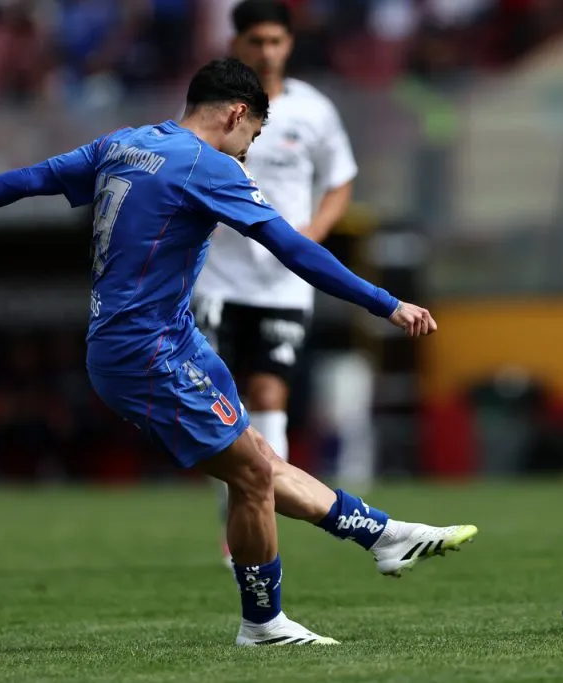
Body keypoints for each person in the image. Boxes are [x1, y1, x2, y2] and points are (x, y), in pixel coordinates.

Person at [0, 58, 477, 647]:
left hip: (159, 338)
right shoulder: (207, 166)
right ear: (238, 113)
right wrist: (384, 303)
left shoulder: (123, 144)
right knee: (251, 477)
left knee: (259, 458)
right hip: (147, 352)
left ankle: (381, 536)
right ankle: (264, 624)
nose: (247, 151)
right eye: (253, 136)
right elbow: (292, 249)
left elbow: (29, 179)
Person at [192, 1, 360, 564]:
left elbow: (340, 181)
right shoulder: (213, 105)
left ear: (289, 44)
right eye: (256, 42)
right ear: (237, 43)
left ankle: (258, 507)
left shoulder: (314, 110)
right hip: (217, 277)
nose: (266, 52)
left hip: (283, 281)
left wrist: (312, 233)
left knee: (268, 394)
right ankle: (235, 512)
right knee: (221, 404)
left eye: (276, 42)